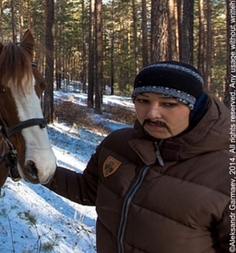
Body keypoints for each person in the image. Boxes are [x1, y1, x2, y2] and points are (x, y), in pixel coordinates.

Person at [43, 61, 230, 252]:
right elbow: (88, 190)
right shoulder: (118, 145)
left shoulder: (225, 174)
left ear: (196, 107)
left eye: (168, 104)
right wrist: (43, 173)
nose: (152, 113)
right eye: (143, 101)